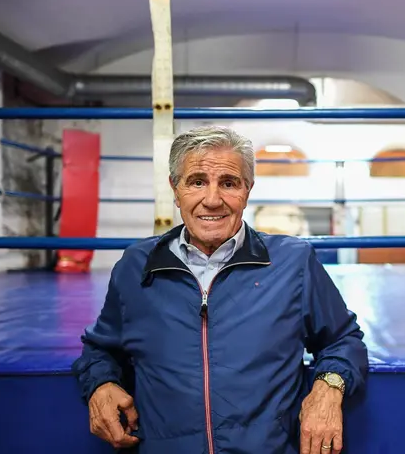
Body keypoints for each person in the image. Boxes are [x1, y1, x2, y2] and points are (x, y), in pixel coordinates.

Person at [72, 125, 369, 454]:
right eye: (197, 181)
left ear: (247, 190)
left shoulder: (292, 263)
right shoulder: (136, 266)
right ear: (175, 188)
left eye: (228, 183)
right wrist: (101, 383)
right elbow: (99, 349)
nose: (212, 200)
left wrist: (329, 386)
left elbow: (343, 339)